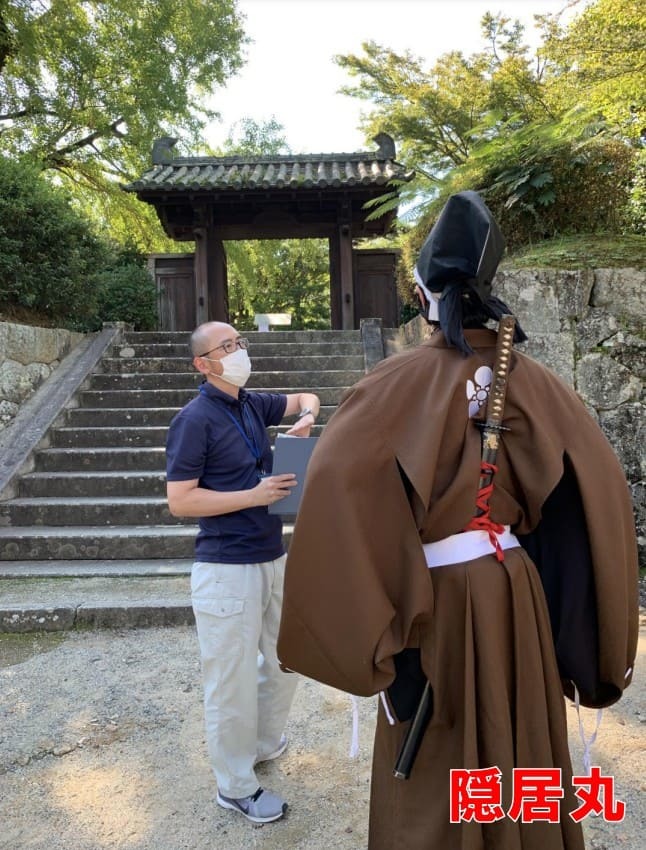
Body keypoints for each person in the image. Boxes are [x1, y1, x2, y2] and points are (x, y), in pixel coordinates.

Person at [277, 191, 638, 849]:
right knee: (520, 740)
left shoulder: (393, 385)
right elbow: (598, 491)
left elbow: (334, 488)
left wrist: (376, 635)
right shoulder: (540, 385)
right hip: (516, 596)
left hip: (435, 606)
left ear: (423, 294)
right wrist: (580, 625)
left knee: (435, 773)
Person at [166, 321, 320, 824]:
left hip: (273, 555)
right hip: (225, 567)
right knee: (229, 682)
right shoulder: (194, 419)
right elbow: (180, 500)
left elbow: (306, 396)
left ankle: (258, 746)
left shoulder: (252, 403)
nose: (238, 352)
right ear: (203, 364)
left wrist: (306, 420)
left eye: (240, 343)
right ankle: (234, 786)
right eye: (226, 347)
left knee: (286, 661)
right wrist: (253, 496)